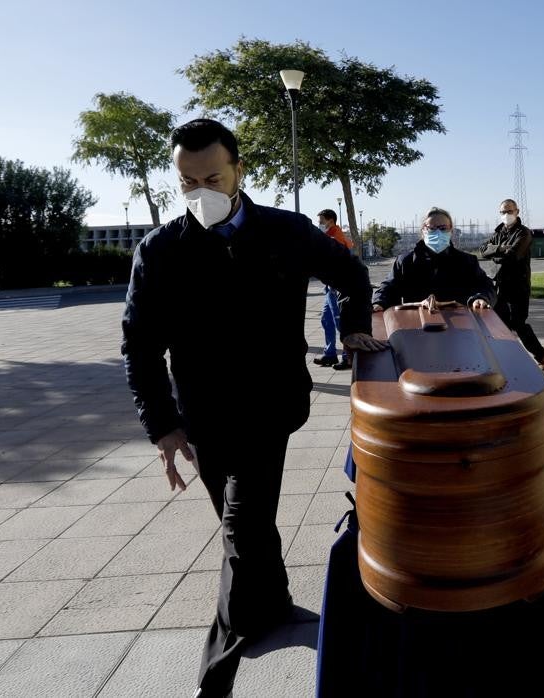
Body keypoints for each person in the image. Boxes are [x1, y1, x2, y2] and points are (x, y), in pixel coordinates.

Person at [120, 118, 388, 698]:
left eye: (212, 177)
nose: (201, 192)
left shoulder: (286, 231)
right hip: (203, 415)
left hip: (271, 406)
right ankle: (275, 607)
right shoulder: (161, 250)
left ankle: (215, 676)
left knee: (239, 531)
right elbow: (139, 343)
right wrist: (162, 425)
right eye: (187, 182)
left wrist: (356, 329)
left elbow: (350, 275)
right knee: (243, 524)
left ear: (239, 169)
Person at [373, 207, 495, 312]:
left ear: (451, 231)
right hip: (414, 326)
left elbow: (486, 286)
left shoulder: (467, 261)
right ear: (423, 230)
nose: (438, 233)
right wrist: (379, 302)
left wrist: (481, 298)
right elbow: (387, 288)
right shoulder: (405, 262)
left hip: (460, 326)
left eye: (443, 228)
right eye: (432, 228)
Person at [479, 198, 544, 368]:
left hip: (518, 286)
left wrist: (495, 252)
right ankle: (507, 360)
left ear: (517, 212)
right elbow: (482, 250)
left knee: (518, 323)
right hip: (500, 285)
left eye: (510, 211)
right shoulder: (499, 232)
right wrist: (501, 248)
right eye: (503, 211)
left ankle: (540, 353)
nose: (506, 214)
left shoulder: (524, 233)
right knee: (500, 324)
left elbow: (513, 255)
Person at [314, 209, 356, 370]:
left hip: (336, 285)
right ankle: (330, 354)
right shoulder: (329, 236)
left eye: (321, 221)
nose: (320, 225)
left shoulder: (335, 238)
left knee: (340, 321)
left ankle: (348, 357)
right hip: (329, 285)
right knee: (327, 320)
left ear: (330, 221)